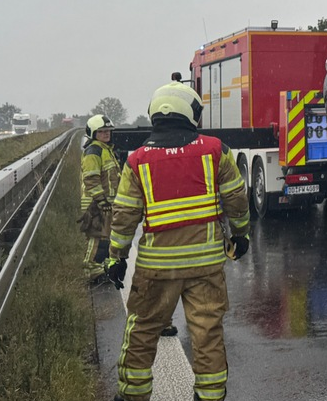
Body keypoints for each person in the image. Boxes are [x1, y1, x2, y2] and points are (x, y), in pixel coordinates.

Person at [106, 83, 250, 401]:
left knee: (142, 331)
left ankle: (132, 395)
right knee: (207, 333)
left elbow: (124, 216)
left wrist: (116, 256)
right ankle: (210, 395)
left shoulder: (138, 161)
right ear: (190, 113)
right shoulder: (216, 151)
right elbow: (237, 199)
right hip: (206, 265)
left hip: (157, 269)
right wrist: (241, 235)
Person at [80, 114, 119, 284]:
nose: (106, 134)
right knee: (96, 237)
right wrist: (101, 200)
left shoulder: (105, 149)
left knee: (105, 237)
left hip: (105, 202)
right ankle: (91, 270)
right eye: (102, 131)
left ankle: (100, 268)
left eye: (108, 131)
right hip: (95, 203)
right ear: (93, 133)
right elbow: (91, 178)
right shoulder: (93, 151)